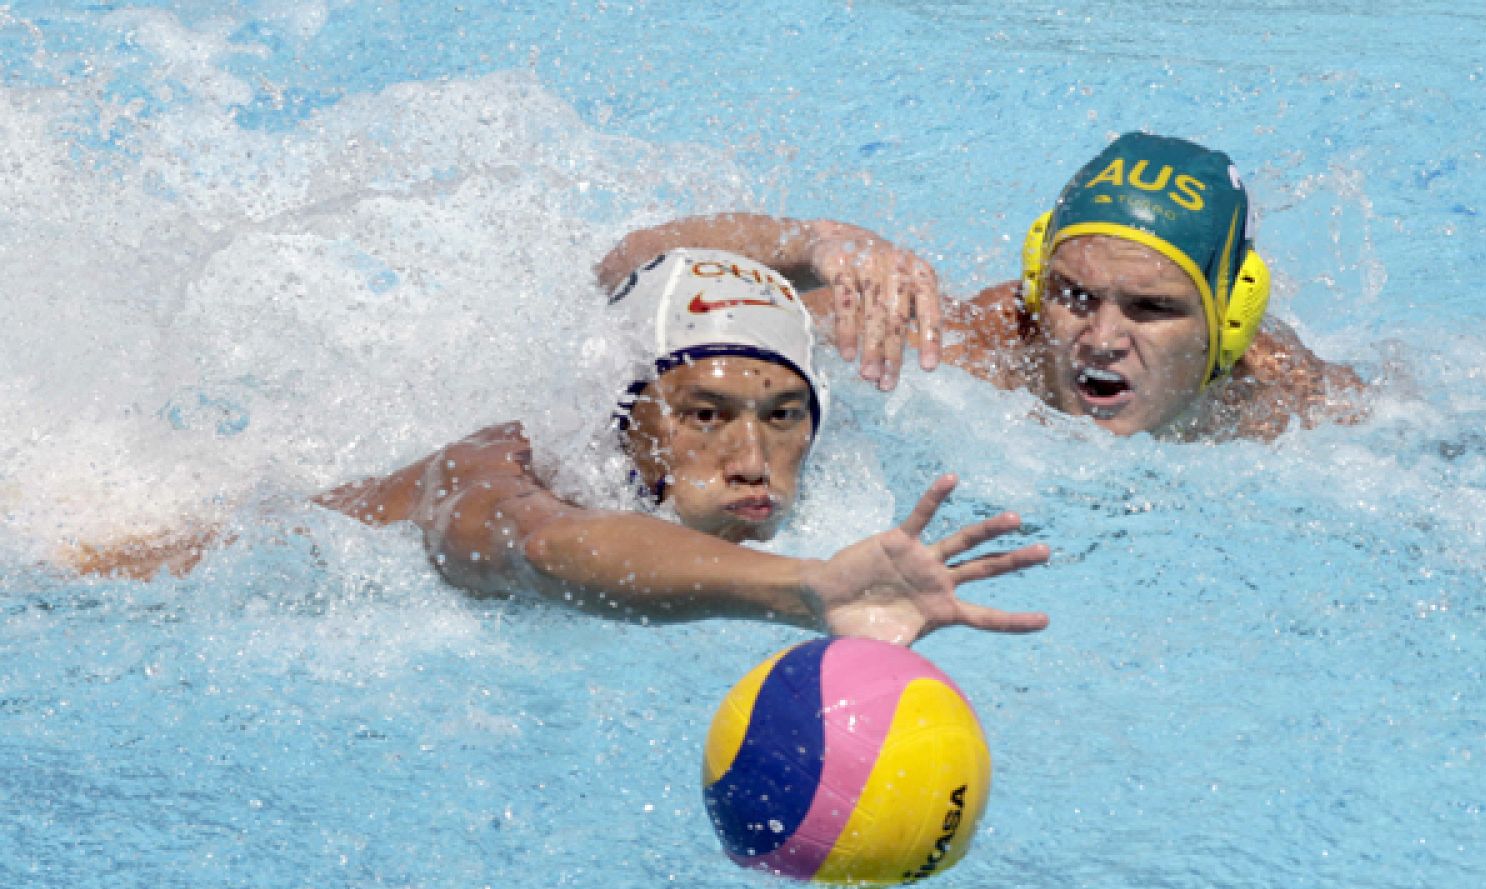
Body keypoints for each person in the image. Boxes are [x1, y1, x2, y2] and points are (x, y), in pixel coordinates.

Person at [73, 249, 1050, 647]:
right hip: (125, 575)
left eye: (783, 414)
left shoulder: (849, 470)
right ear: (626, 418)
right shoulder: (496, 475)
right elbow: (545, 550)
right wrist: (797, 587)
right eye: (704, 414)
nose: (753, 456)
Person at [597, 132, 1365, 441]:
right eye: (1073, 296)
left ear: (1230, 325)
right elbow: (623, 274)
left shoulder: (1292, 403)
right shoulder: (957, 350)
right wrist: (814, 244)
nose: (1101, 338)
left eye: (1152, 308)